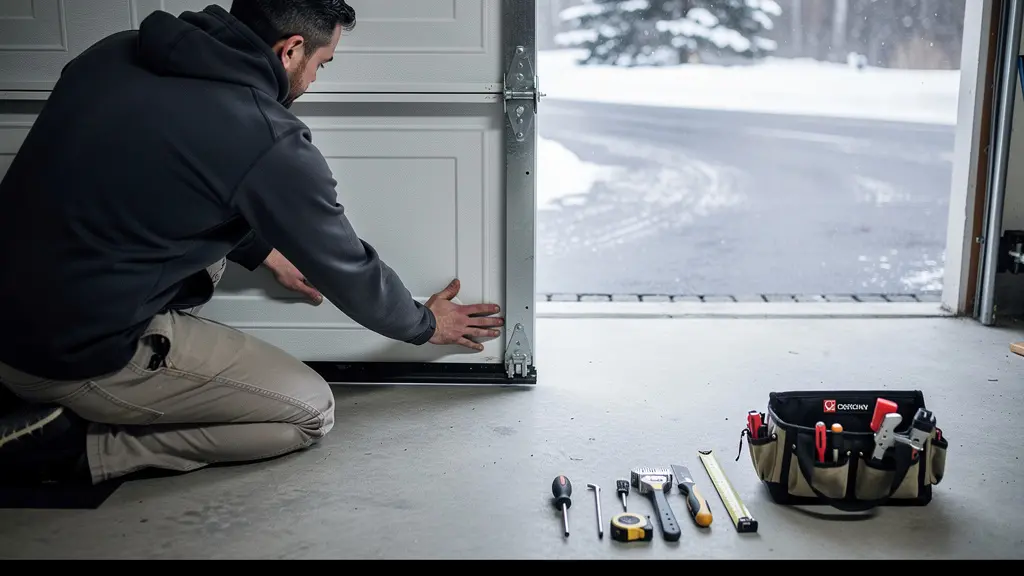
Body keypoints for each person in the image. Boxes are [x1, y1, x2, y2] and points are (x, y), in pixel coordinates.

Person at [0, 0, 503, 487]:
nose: (311, 82)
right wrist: (424, 323)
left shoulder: (113, 52)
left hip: (18, 305)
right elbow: (347, 268)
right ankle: (73, 444)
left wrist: (260, 250)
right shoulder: (266, 137)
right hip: (68, 354)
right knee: (310, 413)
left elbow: (149, 176)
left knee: (211, 254)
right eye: (321, 65)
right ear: (291, 50)